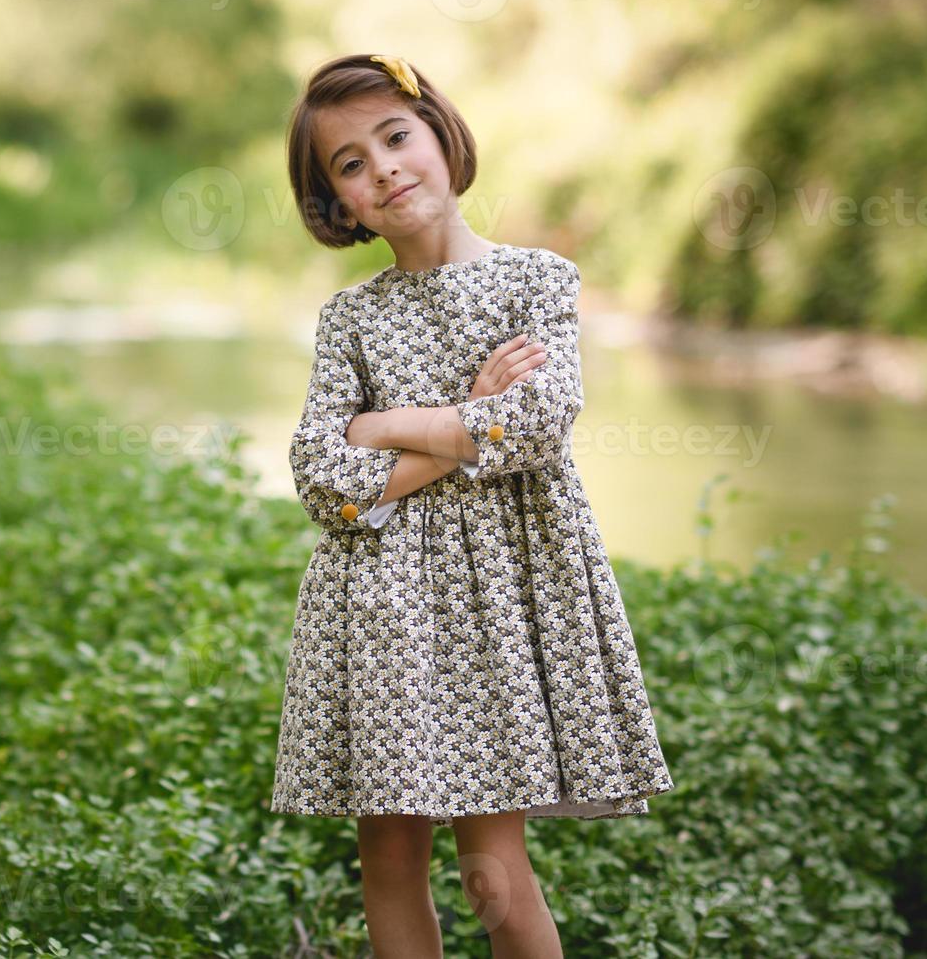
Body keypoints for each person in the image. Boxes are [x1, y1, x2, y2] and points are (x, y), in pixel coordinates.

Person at [269, 54, 675, 958]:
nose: (381, 167)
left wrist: (380, 428)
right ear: (340, 207)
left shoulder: (537, 279)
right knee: (387, 855)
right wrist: (465, 420)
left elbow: (536, 423)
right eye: (349, 164)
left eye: (395, 136)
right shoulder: (351, 320)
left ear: (443, 139)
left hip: (500, 598)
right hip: (376, 610)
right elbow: (321, 482)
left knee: (492, 868)